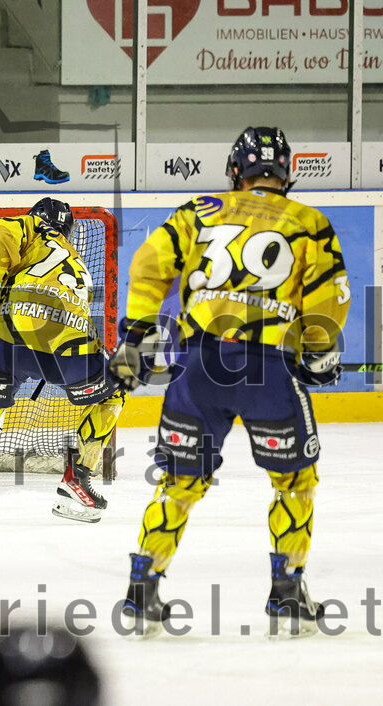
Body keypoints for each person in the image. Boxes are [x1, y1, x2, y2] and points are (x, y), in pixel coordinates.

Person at [109, 126, 349, 638]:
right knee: (295, 483)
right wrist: (318, 350)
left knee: (179, 484)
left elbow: (149, 263)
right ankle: (286, 594)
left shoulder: (202, 209)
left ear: (234, 171)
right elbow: (332, 296)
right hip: (268, 369)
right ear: (288, 173)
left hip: (198, 366)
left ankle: (141, 589)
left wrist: (135, 334)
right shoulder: (309, 222)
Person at [0, 198, 127, 522]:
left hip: (9, 342)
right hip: (65, 345)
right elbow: (47, 309)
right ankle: (77, 478)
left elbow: (1, 234)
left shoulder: (33, 231)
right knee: (113, 392)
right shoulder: (73, 262)